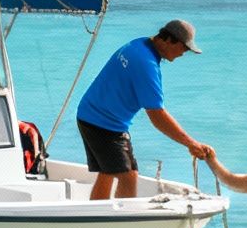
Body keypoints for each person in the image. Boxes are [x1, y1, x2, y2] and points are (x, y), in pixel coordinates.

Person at [74, 19, 209, 200]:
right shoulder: (146, 65)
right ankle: (122, 224)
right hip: (104, 123)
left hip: (89, 114)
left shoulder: (139, 44)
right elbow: (157, 115)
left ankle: (95, 219)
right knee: (128, 176)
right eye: (184, 48)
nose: (183, 54)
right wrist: (191, 143)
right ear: (169, 40)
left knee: (107, 172)